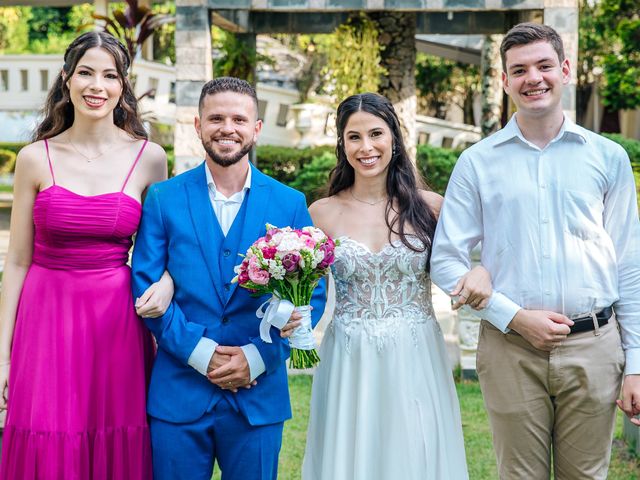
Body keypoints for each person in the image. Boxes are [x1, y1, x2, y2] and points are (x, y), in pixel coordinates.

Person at [431, 22, 640, 479]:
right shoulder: (478, 162)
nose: (534, 78)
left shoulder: (608, 158)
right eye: (519, 70)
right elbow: (445, 259)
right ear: (505, 81)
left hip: (595, 346)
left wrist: (637, 364)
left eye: (544, 65)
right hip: (511, 349)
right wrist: (513, 315)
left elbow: (629, 264)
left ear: (565, 70)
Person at [131, 76, 326, 480]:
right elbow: (146, 286)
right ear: (197, 125)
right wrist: (201, 354)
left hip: (258, 395)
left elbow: (313, 293)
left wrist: (257, 357)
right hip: (178, 394)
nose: (227, 128)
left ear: (256, 128)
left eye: (239, 119)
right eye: (216, 117)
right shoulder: (164, 198)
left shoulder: (289, 203)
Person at [0, 31, 172, 479]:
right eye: (86, 73)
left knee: (115, 431)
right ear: (67, 78)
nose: (97, 85)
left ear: (123, 85)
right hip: (45, 316)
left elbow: (163, 252)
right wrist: (2, 354)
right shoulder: (34, 158)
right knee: (46, 430)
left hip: (116, 320)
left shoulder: (150, 158)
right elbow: (16, 261)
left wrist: (167, 284)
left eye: (110, 75)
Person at [302, 92, 491, 480]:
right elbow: (304, 292)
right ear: (342, 143)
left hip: (415, 350)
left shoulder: (431, 207)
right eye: (354, 137)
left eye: (376, 134)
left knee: (414, 450)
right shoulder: (321, 213)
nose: (366, 147)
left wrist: (482, 271)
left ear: (394, 138)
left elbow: (491, 250)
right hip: (348, 356)